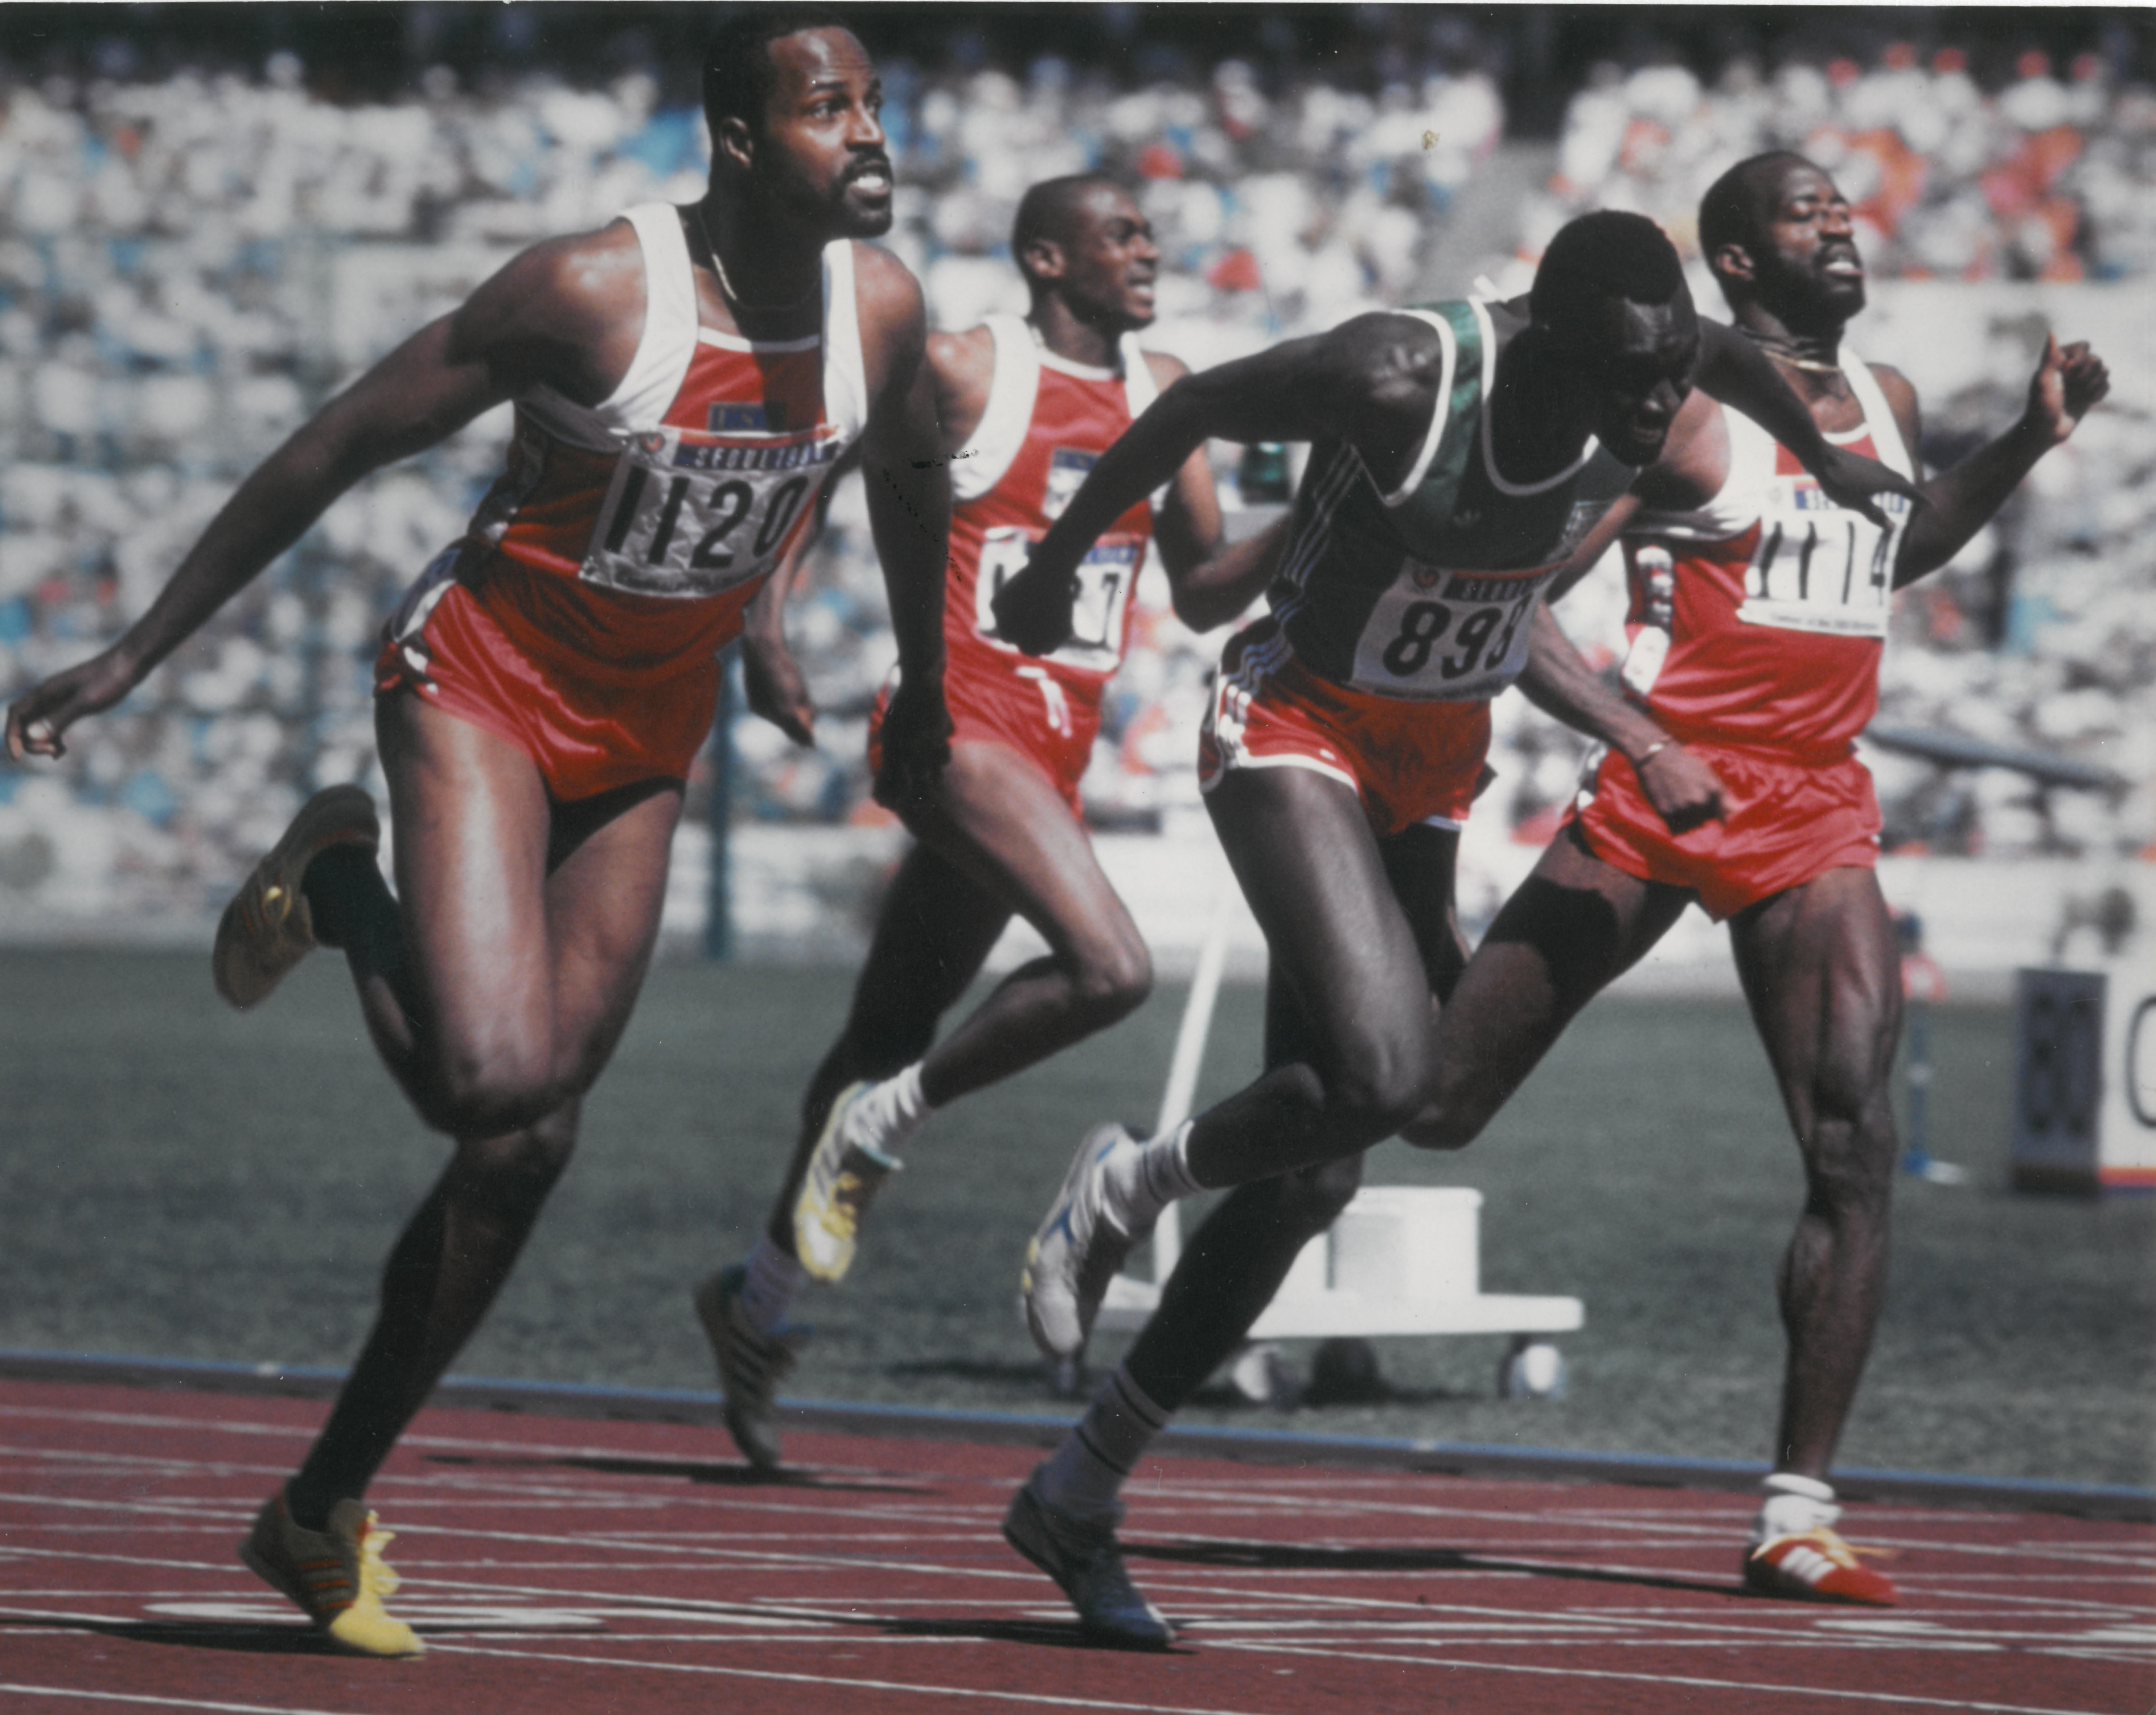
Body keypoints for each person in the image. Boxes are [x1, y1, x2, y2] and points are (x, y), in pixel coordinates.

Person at [4, 9, 951, 1659]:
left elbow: (885, 471)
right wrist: (139, 653)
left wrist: (873, 659)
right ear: (736, 138)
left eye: (875, 103)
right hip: (485, 692)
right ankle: (343, 872)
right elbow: (339, 444)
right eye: (826, 109)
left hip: (645, 735)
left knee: (526, 1145)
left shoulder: (881, 308)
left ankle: (317, 1512)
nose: (869, 134)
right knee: (486, 1085)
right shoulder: (591, 294)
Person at [989, 208, 1919, 1644]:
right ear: (1547, 344)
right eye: (1627, 380)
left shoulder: (1666, 367)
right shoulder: (1397, 376)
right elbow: (1188, 401)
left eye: (1667, 375)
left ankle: (1078, 1491)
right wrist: (1056, 564)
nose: (1652, 411)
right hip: (1295, 725)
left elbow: (1728, 358)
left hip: (1434, 762)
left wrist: (1841, 455)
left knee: (1321, 1168)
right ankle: (1124, 1185)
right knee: (1382, 1079)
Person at [1397, 153, 2108, 1606]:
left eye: (1844, 206)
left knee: (1851, 1145)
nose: (1838, 223)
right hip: (1666, 789)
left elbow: (1887, 545)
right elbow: (1512, 602)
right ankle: (1148, 1172)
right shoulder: (1683, 415)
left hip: (1816, 811)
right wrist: (1645, 742)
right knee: (1430, 1105)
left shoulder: (1892, 405)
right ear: (1731, 264)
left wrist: (2028, 439)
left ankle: (1795, 1509)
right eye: (1802, 211)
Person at [695, 173, 1284, 1473]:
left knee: (889, 1027)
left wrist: (1315, 524)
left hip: (1051, 752)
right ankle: (883, 1130)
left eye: (1150, 231)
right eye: (1121, 232)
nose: (1149, 246)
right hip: (950, 722)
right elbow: (845, 459)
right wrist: (766, 616)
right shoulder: (971, 367)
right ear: (1046, 257)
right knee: (1111, 969)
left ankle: (757, 1305)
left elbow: (1199, 589)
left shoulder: (1168, 397)